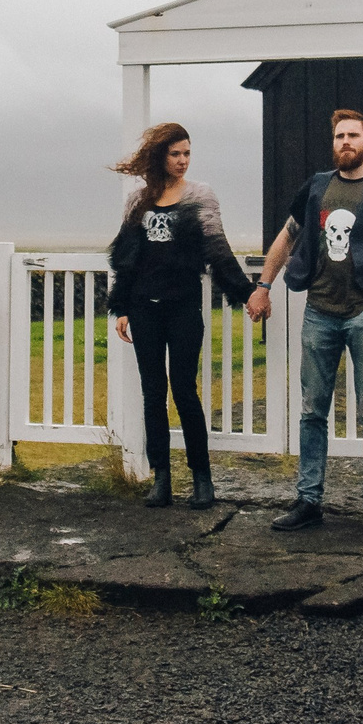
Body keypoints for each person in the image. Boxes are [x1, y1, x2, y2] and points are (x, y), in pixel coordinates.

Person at [243, 108, 363, 537]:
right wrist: (263, 286)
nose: (345, 142)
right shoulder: (317, 186)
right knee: (312, 412)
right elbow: (288, 236)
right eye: (339, 136)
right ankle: (309, 500)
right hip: (318, 312)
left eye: (353, 135)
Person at [107, 122, 253, 510]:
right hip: (144, 309)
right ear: (161, 156)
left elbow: (218, 249)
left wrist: (247, 294)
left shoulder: (200, 195)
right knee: (152, 394)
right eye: (176, 154)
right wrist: (121, 307)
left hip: (183, 307)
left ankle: (202, 480)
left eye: (187, 153)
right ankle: (161, 479)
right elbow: (127, 257)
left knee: (184, 391)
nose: (183, 160)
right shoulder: (138, 200)